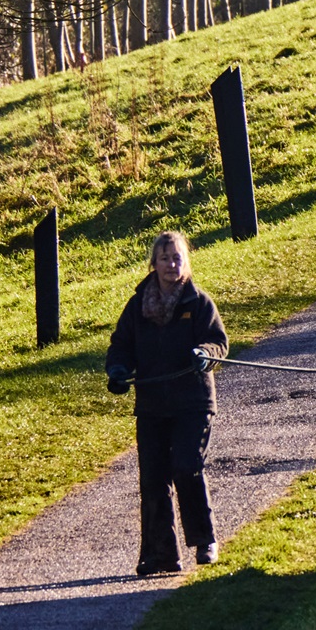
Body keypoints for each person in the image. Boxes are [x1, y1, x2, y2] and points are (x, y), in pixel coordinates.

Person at [105, 231, 228, 575]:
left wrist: (205, 355)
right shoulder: (137, 306)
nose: (172, 265)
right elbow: (121, 345)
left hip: (193, 402)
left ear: (185, 261)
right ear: (154, 264)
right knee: (154, 478)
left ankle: (205, 541)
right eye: (165, 259)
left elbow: (218, 341)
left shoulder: (198, 302)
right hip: (152, 405)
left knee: (186, 465)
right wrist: (117, 369)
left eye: (177, 258)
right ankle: (162, 556)